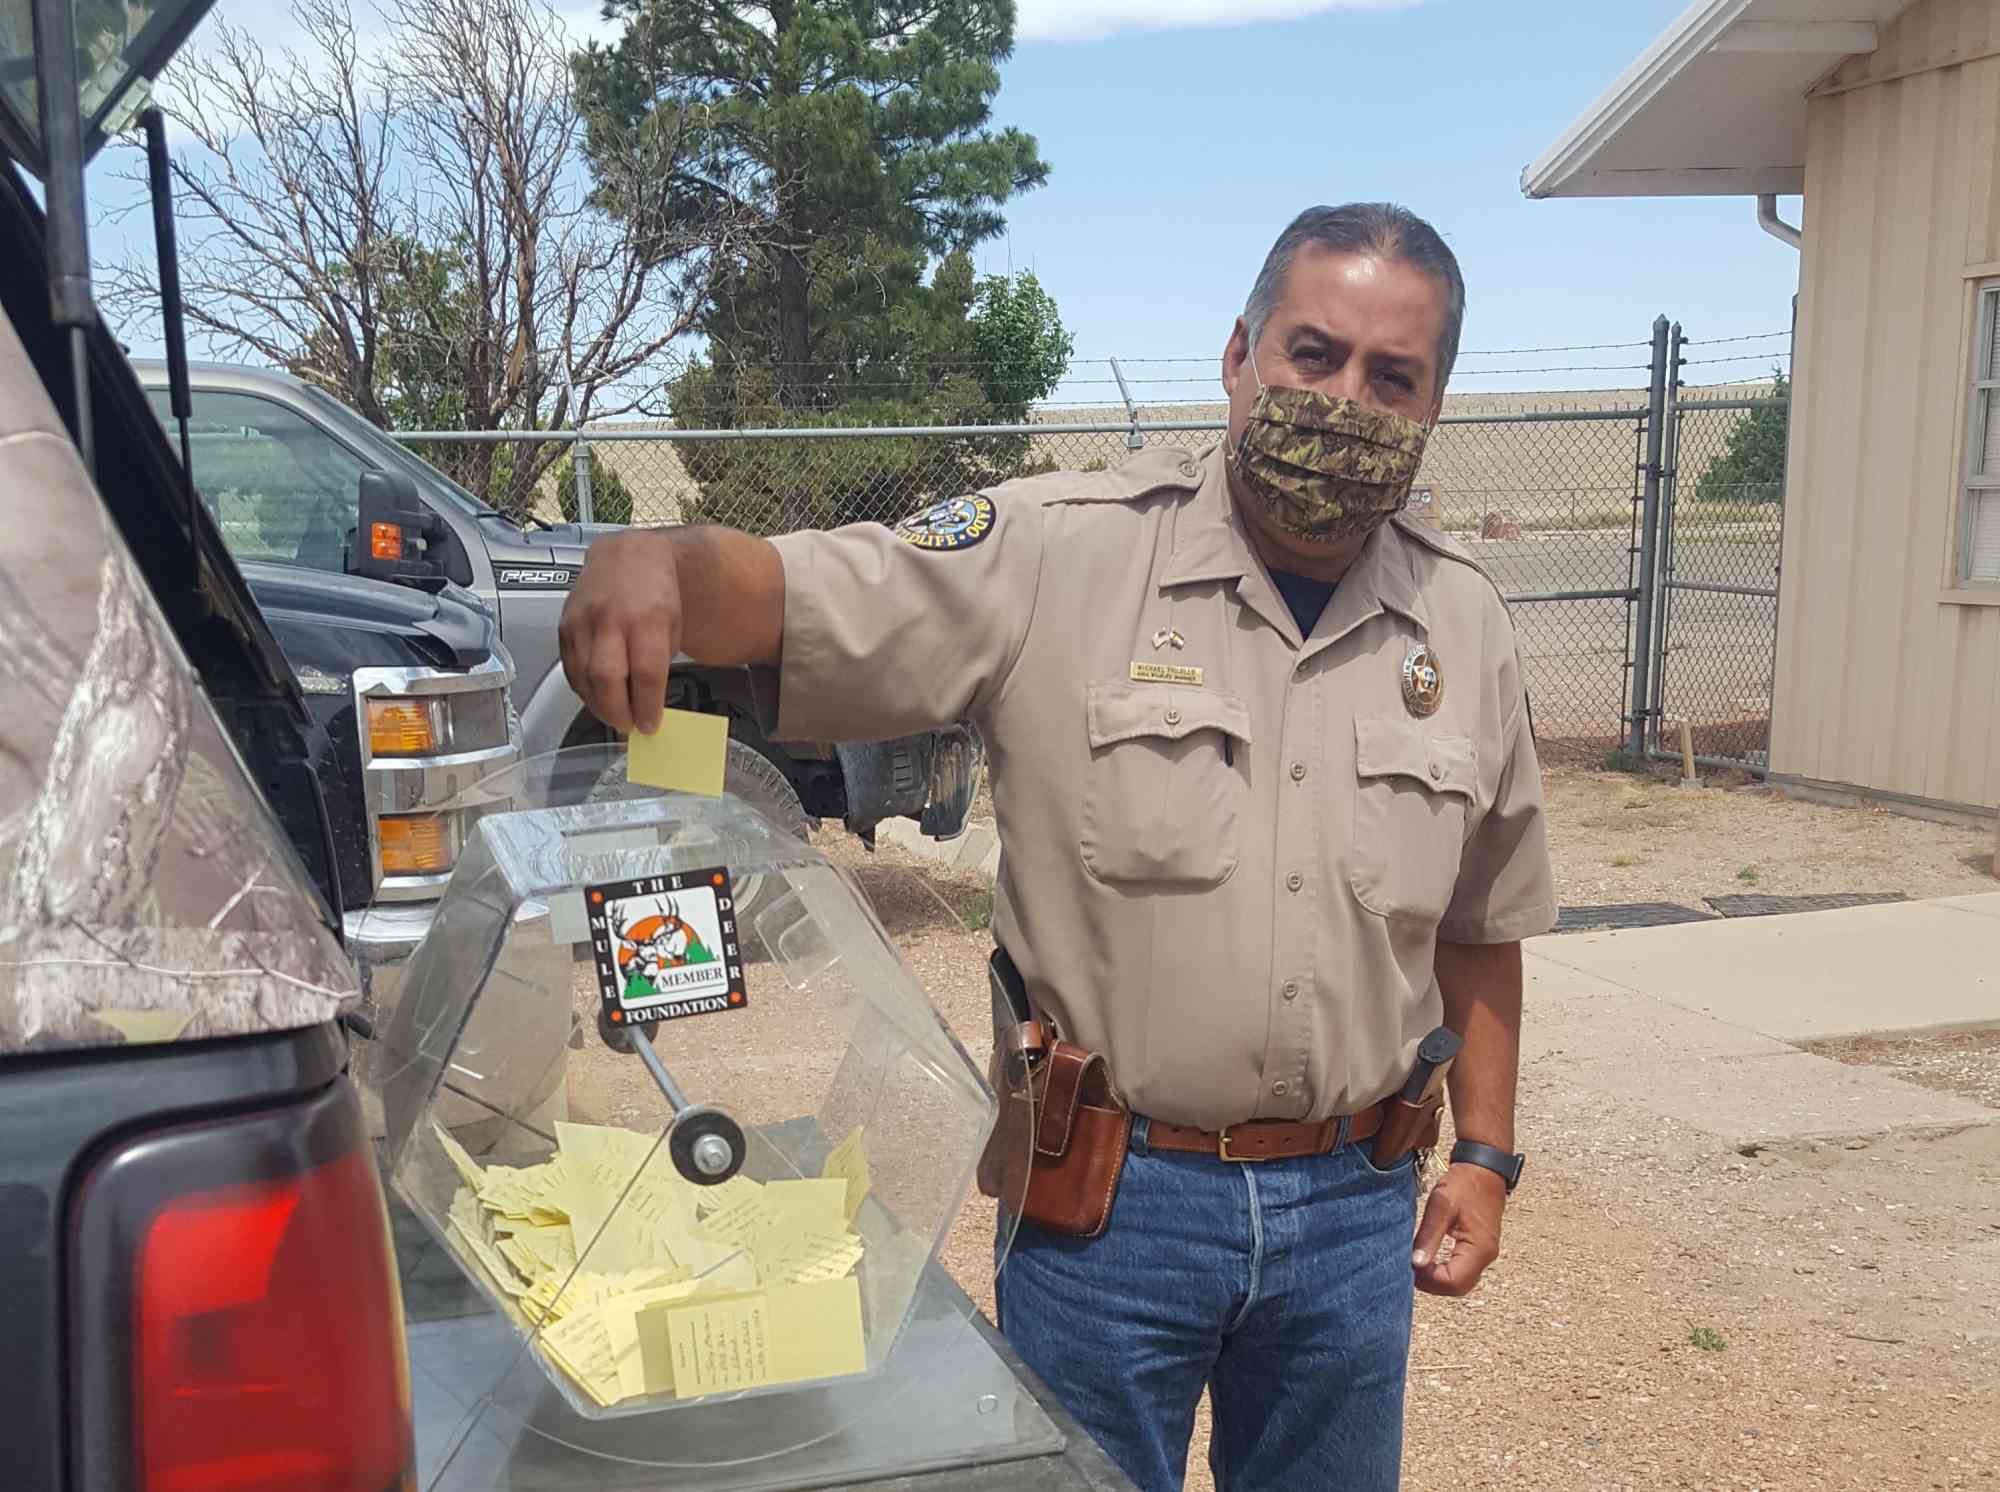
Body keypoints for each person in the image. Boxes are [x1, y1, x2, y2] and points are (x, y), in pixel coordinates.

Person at [559, 202, 1555, 1492]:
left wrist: (1482, 1154)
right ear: (1238, 356)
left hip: (1354, 1212)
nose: (1345, 399)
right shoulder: (1059, 554)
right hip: (1111, 1209)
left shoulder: (1461, 625)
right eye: (1314, 354)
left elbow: (1482, 922)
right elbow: (809, 591)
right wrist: (659, 560)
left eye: (1393, 377)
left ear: (1434, 406)